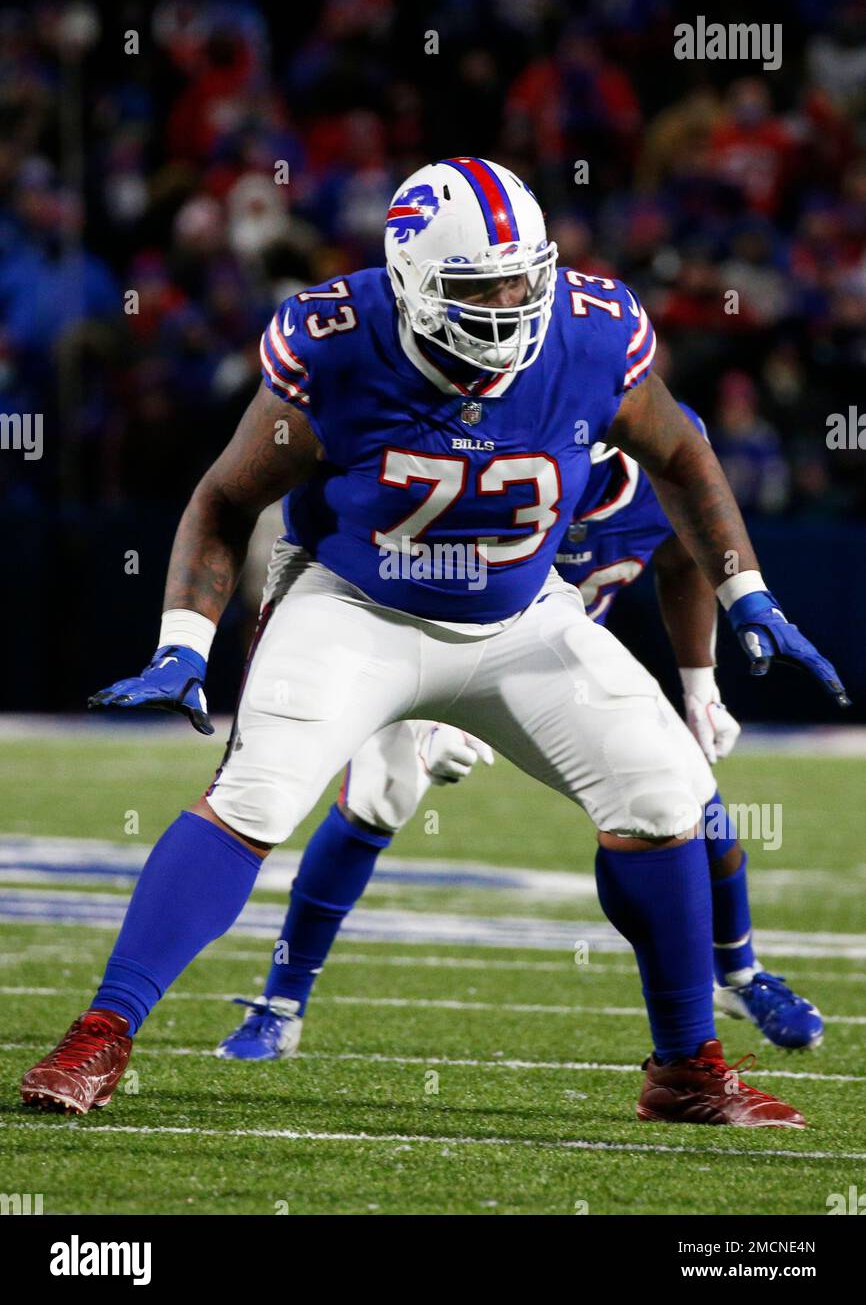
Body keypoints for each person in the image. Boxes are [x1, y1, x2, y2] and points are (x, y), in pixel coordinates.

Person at [22, 158, 847, 1126]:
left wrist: (742, 587)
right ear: (411, 282)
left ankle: (683, 1070)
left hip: (519, 615)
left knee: (666, 793)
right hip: (357, 608)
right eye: (476, 288)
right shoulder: (336, 344)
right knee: (254, 796)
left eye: (520, 278)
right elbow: (222, 498)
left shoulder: (586, 332)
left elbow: (677, 450)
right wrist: (182, 643)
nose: (506, 306)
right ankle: (101, 1034)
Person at [215, 406, 823, 1063]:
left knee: (685, 792)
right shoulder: (488, 447)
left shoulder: (667, 451)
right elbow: (435, 582)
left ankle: (739, 974)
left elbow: (683, 560)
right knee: (381, 793)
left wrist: (701, 685)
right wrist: (437, 711)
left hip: (551, 661)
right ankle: (282, 1001)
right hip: (424, 633)